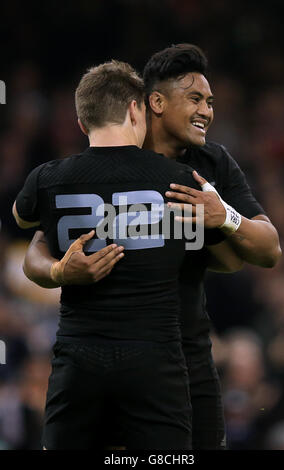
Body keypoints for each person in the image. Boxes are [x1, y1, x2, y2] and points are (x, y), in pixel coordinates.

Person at [22, 44, 282, 449]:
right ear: (154, 102)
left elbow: (269, 250)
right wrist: (58, 271)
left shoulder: (211, 163)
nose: (207, 111)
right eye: (195, 98)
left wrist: (225, 218)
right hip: (106, 354)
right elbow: (36, 248)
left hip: (188, 355)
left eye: (210, 102)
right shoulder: (105, 158)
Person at [13, 59, 216, 450]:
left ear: (82, 124)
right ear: (136, 109)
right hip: (157, 362)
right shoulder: (180, 181)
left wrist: (58, 268)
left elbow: (23, 221)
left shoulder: (47, 179)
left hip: (78, 361)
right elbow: (225, 258)